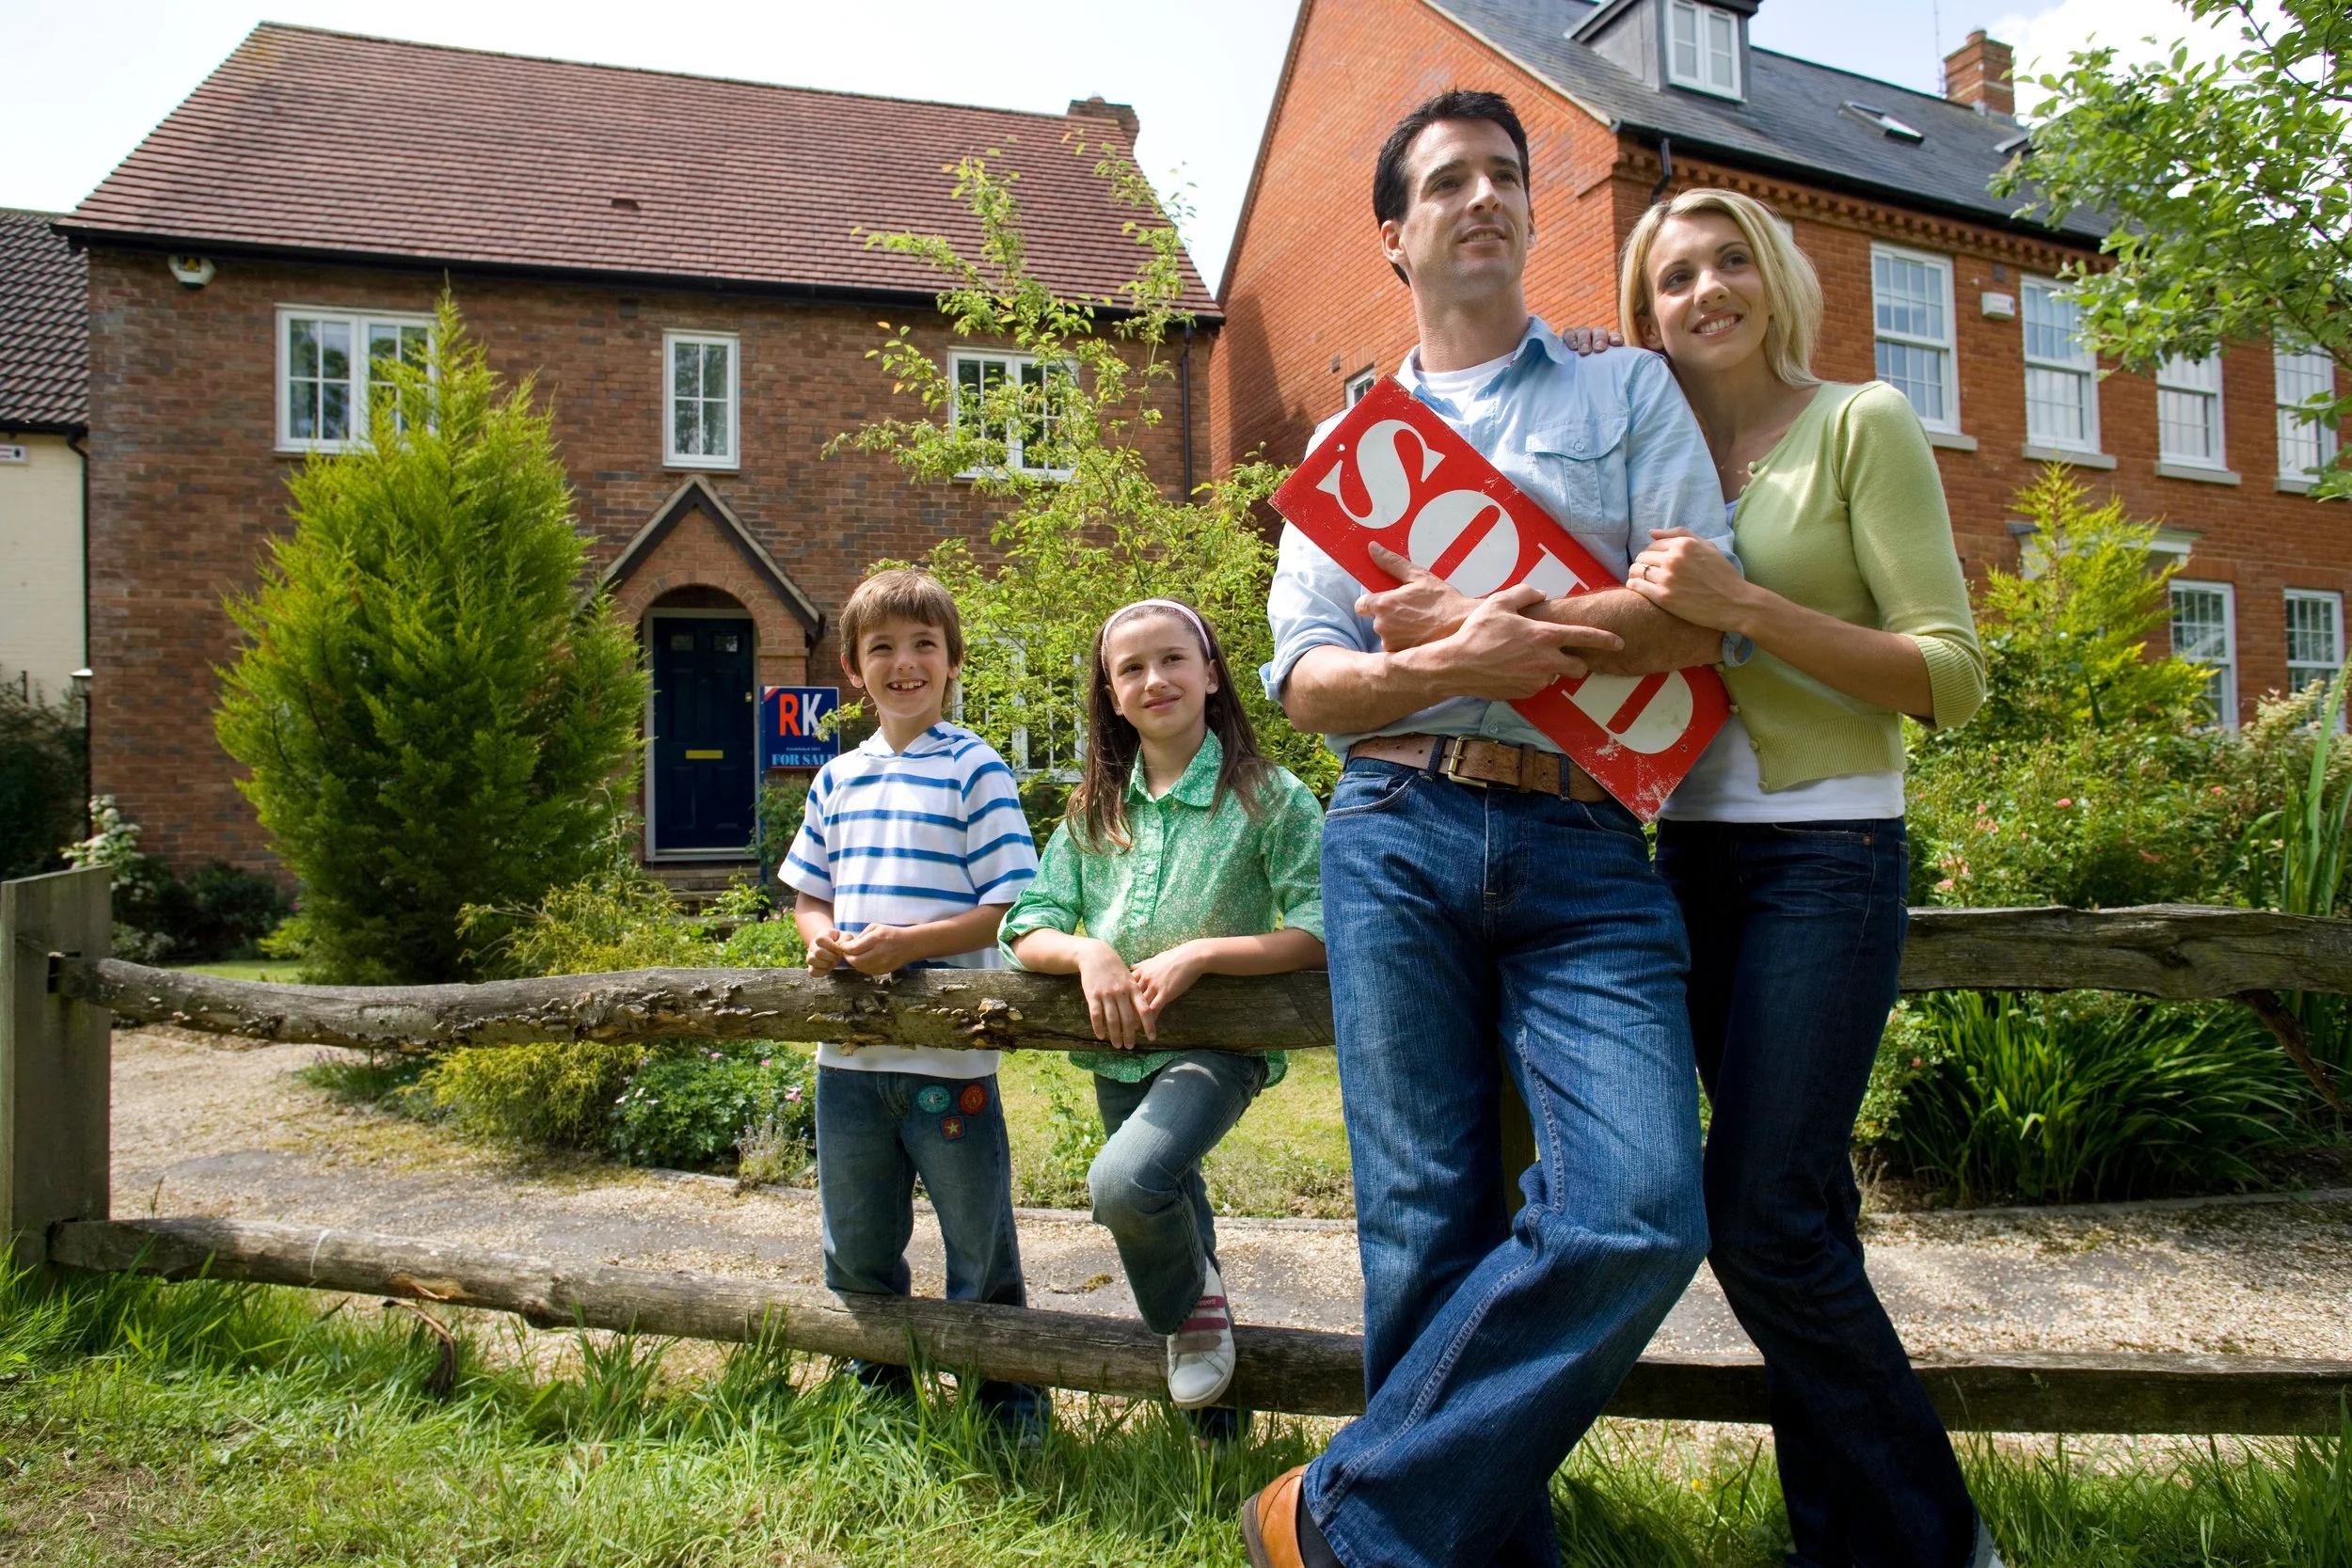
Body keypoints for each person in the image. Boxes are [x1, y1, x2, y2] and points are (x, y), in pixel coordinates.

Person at [1242, 87, 1740, 1568]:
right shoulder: (1351, 450)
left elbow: (1695, 622)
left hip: (1591, 842)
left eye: (1506, 175)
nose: (1485, 197)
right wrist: (1449, 663)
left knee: (1644, 1206)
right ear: (1393, 237)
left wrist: (1492, 617)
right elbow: (1306, 679)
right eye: (1447, 181)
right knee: (1418, 1216)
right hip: (1393, 819)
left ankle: (1339, 1515)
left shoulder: (1624, 394)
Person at [1618, 187, 1997, 1567]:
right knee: (1805, 1215)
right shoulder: (1651, 452)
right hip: (1687, 858)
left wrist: (1750, 607)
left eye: (1730, 262)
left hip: (1826, 854)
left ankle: (1940, 1538)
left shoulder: (1861, 421)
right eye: (1674, 278)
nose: (1706, 290)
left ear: (1774, 277)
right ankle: (1838, 1538)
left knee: (1761, 1219)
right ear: (1644, 310)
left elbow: (1950, 674)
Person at [1001, 597, 1326, 1446]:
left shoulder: (1269, 797)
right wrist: (1087, 953)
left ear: (1211, 673)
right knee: (1176, 1213)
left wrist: (1205, 952)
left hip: (1219, 1049)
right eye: (1131, 669)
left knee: (1125, 1182)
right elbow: (1025, 922)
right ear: (1110, 695)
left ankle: (1191, 1315)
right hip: (1118, 1051)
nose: (1156, 679)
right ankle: (1218, 1445)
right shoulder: (1094, 811)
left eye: (1174, 659)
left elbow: (1321, 926)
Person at [779, 566, 1048, 1443]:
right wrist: (818, 936)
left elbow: (1011, 900)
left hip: (948, 1058)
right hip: (850, 1061)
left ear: (951, 661)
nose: (905, 662)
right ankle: (879, 1391)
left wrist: (908, 943)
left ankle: (1005, 1403)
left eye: (923, 645)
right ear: (853, 669)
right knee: (856, 1241)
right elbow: (809, 894)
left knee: (979, 1241)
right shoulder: (836, 779)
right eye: (883, 647)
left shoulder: (976, 765)